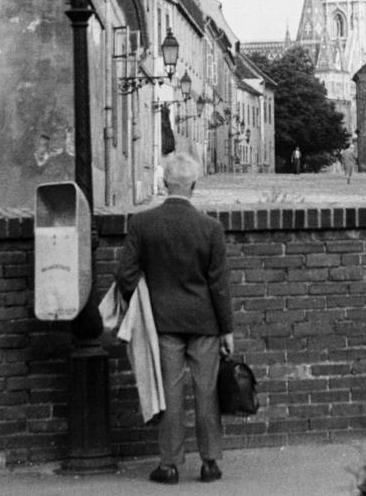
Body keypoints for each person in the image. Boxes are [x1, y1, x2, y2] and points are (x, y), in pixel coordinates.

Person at [117, 153, 235, 485]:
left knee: (169, 393)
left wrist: (140, 301)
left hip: (162, 322)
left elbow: (125, 275)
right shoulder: (211, 228)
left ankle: (169, 465)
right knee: (206, 391)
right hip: (206, 323)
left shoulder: (142, 224)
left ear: (165, 183)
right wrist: (227, 330)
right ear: (194, 186)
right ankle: (210, 462)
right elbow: (219, 285)